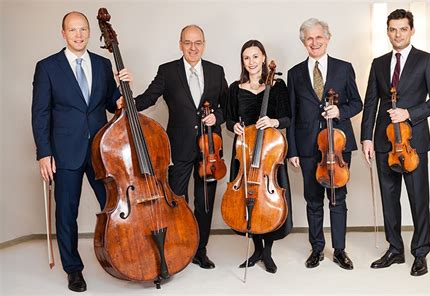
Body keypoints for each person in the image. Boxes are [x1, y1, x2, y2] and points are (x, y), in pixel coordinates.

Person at [31, 11, 129, 292]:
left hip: (102, 150)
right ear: (63, 33)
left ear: (89, 32)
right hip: (65, 151)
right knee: (66, 212)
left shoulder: (101, 63)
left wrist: (123, 92)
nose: (79, 34)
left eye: (83, 29)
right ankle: (73, 269)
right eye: (73, 30)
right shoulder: (48, 67)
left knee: (114, 206)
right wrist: (43, 153)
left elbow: (112, 104)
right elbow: (40, 114)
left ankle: (122, 256)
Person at [130, 25, 228, 269]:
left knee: (204, 202)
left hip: (210, 151)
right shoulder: (168, 71)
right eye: (187, 42)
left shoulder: (216, 71)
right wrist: (127, 102)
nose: (193, 48)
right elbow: (148, 98)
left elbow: (228, 106)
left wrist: (217, 116)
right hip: (178, 147)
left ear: (203, 44)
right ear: (180, 44)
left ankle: (200, 250)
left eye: (197, 43)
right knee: (175, 199)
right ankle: (176, 246)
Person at [361, 9, 430, 276]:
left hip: (413, 143)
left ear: (411, 30)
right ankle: (395, 250)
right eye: (393, 29)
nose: (397, 34)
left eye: (402, 29)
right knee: (389, 199)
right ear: (387, 31)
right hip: (384, 141)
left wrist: (410, 113)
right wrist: (366, 137)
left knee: (418, 199)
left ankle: (420, 253)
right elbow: (371, 103)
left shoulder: (427, 60)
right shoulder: (378, 63)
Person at [287, 18, 363, 270]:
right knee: (313, 200)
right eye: (309, 38)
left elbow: (357, 103)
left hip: (338, 146)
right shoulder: (295, 73)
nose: (314, 42)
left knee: (338, 199)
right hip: (309, 147)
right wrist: (293, 151)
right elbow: (293, 113)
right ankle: (317, 248)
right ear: (303, 42)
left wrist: (338, 111)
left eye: (319, 37)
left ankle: (339, 250)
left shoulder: (343, 68)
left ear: (328, 38)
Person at [225, 40, 293, 274]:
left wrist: (273, 121)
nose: (251, 62)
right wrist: (234, 127)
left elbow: (287, 118)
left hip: (268, 155)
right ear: (242, 61)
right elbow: (229, 119)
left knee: (269, 201)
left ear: (263, 57)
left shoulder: (277, 85)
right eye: (246, 58)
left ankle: (267, 252)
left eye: (255, 56)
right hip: (245, 153)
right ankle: (256, 249)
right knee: (246, 200)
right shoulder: (235, 88)